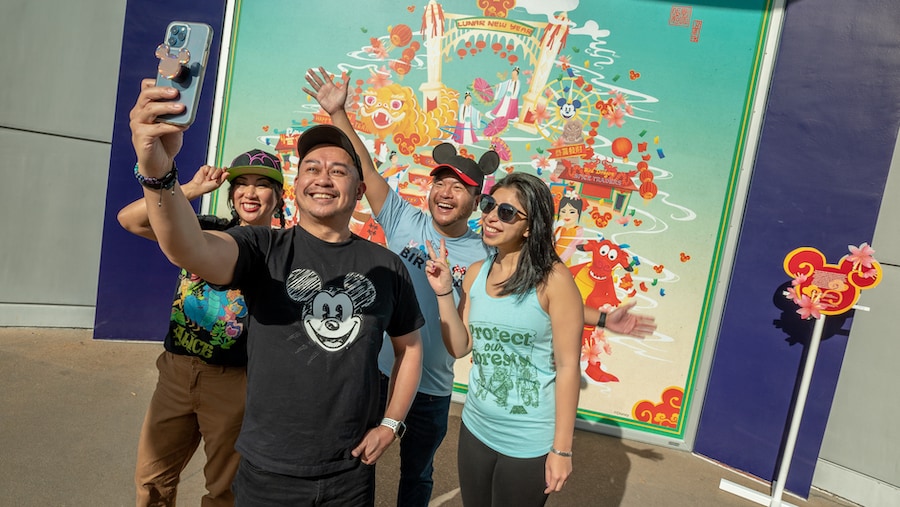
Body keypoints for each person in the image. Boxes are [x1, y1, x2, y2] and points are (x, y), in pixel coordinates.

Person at [303, 67, 657, 506]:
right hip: (376, 374)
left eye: (462, 188)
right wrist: (339, 113)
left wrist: (602, 318)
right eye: (440, 183)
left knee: (416, 477)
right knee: (357, 465)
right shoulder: (401, 219)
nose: (446, 193)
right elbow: (365, 167)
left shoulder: (486, 254)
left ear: (476, 201)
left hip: (432, 386)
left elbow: (533, 297)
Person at [128, 78, 424, 506]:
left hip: (351, 473)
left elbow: (410, 348)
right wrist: (159, 173)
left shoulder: (386, 266)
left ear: (359, 191)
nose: (324, 178)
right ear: (296, 187)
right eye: (312, 169)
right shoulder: (261, 247)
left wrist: (391, 424)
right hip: (268, 473)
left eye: (339, 170)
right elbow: (188, 248)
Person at [118, 148, 284, 507]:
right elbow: (131, 220)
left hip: (235, 381)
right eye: (241, 184)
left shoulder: (283, 250)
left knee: (224, 490)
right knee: (151, 481)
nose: (250, 193)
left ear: (279, 196)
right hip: (177, 371)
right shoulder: (204, 228)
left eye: (262, 185)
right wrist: (190, 189)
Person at [423, 172, 582, 506]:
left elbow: (568, 367)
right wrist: (442, 294)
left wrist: (562, 449)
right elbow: (461, 346)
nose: (492, 216)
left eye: (506, 212)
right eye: (489, 205)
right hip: (476, 428)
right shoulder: (477, 273)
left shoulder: (555, 281)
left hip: (528, 441)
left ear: (529, 226)